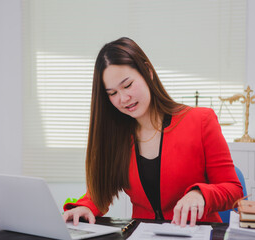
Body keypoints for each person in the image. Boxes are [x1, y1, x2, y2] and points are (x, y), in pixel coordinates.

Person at [62, 37, 243, 227]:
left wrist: (200, 194)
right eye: (113, 93)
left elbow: (234, 190)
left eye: (127, 85)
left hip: (196, 233)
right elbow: (100, 190)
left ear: (147, 72)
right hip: (142, 233)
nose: (123, 98)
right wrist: (85, 207)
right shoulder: (118, 137)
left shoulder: (200, 120)